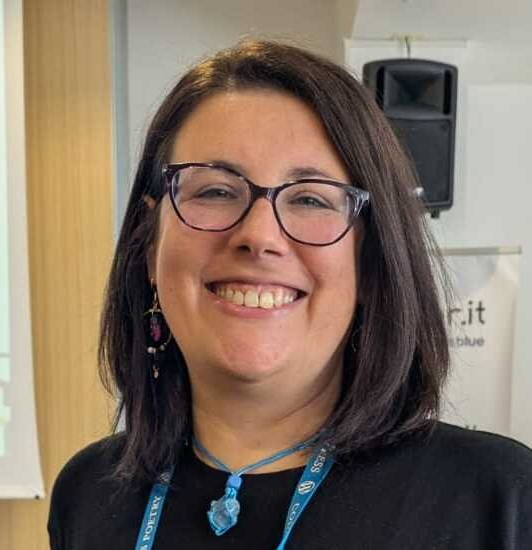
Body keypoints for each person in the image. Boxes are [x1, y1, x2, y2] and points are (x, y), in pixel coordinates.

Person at [48, 40, 532, 550]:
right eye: (214, 191)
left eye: (310, 199)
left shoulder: (497, 500)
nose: (259, 235)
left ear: (371, 260)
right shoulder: (87, 494)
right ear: (150, 245)